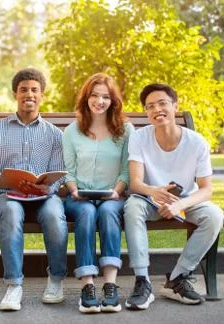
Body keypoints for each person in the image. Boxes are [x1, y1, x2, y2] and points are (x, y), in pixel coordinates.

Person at [123, 83, 224, 310]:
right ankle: (142, 281)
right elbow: (136, 183)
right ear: (146, 112)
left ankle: (177, 278)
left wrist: (180, 203)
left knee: (215, 216)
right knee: (132, 207)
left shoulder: (197, 142)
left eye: (162, 103)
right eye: (150, 106)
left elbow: (206, 189)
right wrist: (154, 191)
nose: (157, 109)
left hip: (185, 199)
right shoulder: (139, 138)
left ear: (175, 106)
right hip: (148, 199)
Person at [0, 68, 68, 311]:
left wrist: (45, 187)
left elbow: (59, 175)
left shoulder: (55, 135)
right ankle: (14, 285)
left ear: (42, 95)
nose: (29, 94)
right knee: (12, 213)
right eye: (23, 90)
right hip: (8, 195)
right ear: (14, 94)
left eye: (34, 90)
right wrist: (11, 182)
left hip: (43, 196)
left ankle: (56, 279)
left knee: (53, 216)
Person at [63, 73, 133, 313]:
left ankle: (111, 287)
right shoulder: (72, 131)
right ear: (86, 98)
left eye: (105, 96)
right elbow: (68, 172)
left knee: (108, 212)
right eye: (94, 95)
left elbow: (126, 170)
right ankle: (88, 287)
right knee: (86, 213)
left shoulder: (125, 131)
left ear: (113, 101)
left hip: (113, 196)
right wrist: (73, 191)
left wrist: (117, 192)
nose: (99, 101)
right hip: (78, 197)